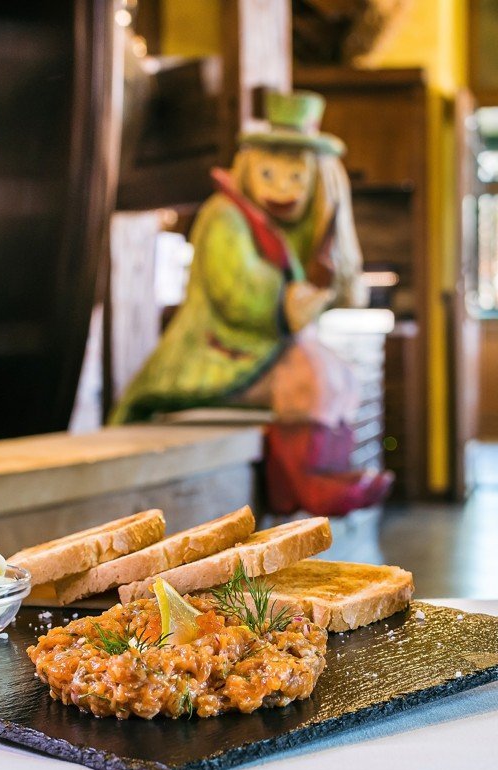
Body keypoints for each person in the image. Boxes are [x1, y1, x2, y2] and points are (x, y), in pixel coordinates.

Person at [111, 90, 392, 516]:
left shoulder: (289, 230)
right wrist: (291, 302)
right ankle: (307, 482)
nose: (282, 188)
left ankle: (320, 475)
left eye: (296, 177)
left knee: (340, 377)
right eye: (268, 173)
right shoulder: (223, 216)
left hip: (258, 351)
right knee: (310, 378)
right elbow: (239, 296)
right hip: (214, 354)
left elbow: (332, 291)